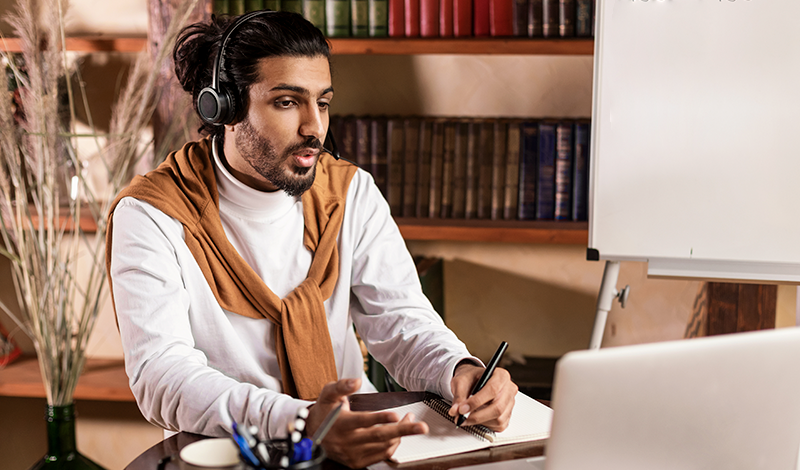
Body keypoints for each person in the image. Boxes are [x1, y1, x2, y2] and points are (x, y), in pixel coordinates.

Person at [106, 10, 518, 468]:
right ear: (223, 108)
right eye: (287, 102)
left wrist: (459, 371)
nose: (315, 128)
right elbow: (162, 378)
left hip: (355, 443)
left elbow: (403, 324)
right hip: (230, 454)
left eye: (322, 103)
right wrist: (302, 423)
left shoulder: (350, 192)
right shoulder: (151, 214)